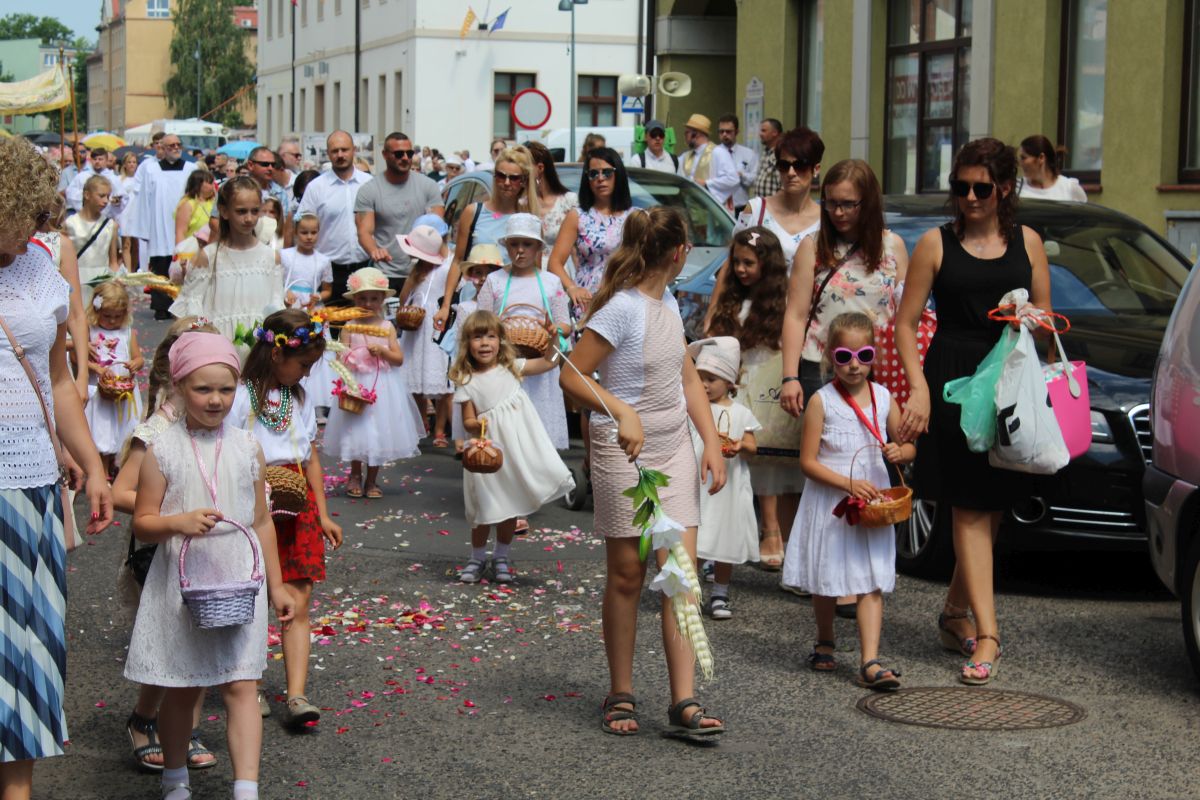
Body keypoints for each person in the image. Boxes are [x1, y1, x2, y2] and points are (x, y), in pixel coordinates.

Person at [558, 206, 727, 740]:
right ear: (679, 254)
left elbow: (688, 379)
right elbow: (571, 374)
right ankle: (621, 690)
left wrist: (711, 442)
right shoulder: (623, 309)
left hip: (673, 446)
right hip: (623, 449)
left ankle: (684, 701)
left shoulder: (670, 302)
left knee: (681, 575)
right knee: (629, 574)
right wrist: (622, 410)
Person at [894, 137, 1052, 686]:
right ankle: (988, 633)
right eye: (960, 187)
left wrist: (1027, 316)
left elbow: (1047, 316)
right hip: (954, 379)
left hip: (1006, 378)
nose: (969, 197)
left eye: (981, 188)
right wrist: (918, 388)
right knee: (966, 508)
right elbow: (906, 323)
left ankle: (953, 615)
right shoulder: (935, 244)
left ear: (1005, 188)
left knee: (992, 507)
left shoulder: (1027, 241)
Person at [125, 331, 295, 800]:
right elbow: (143, 522)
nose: (216, 399)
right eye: (203, 389)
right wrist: (177, 521)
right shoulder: (164, 449)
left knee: (243, 683)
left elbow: (261, 522)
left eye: (225, 389)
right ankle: (176, 778)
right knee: (184, 686)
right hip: (184, 582)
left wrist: (277, 586)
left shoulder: (247, 447)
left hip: (242, 578)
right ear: (179, 387)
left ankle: (246, 788)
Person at [0, 138, 113, 800]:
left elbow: (60, 379)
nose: (36, 228)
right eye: (25, 214)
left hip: (34, 483)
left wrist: (93, 464)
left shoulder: (39, 266)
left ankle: (18, 790)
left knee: (27, 651)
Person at [110, 316, 222, 773]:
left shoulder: (219, 422)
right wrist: (172, 511)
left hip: (209, 549)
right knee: (170, 647)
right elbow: (121, 493)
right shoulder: (158, 428)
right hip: (163, 552)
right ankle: (143, 720)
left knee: (199, 645)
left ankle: (187, 730)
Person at [785, 312, 915, 690]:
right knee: (827, 576)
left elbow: (909, 447)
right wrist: (847, 483)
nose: (854, 365)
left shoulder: (886, 397)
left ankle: (869, 660)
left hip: (872, 503)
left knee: (870, 578)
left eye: (863, 355)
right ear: (828, 355)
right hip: (832, 501)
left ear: (875, 355)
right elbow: (807, 462)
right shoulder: (821, 402)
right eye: (843, 356)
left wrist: (901, 452)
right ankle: (825, 638)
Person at [230, 309, 343, 726]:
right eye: (304, 365)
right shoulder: (241, 395)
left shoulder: (299, 397)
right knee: (253, 594)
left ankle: (296, 694)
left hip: (297, 503)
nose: (307, 374)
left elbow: (310, 456)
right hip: (253, 501)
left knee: (299, 597)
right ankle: (250, 685)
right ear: (276, 354)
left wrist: (324, 512)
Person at [449, 311, 574, 583]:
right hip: (487, 451)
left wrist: (555, 337)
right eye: (477, 337)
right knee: (484, 507)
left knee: (509, 505)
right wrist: (478, 425)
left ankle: (502, 556)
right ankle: (477, 558)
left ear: (501, 341)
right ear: (467, 344)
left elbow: (549, 362)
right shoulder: (466, 379)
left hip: (514, 450)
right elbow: (468, 419)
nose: (484, 343)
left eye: (491, 336)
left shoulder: (512, 367)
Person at [781, 159, 908, 410]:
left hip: (879, 370)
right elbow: (795, 315)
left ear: (868, 202)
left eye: (848, 204)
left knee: (879, 448)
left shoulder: (893, 247)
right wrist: (789, 377)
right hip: (821, 369)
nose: (838, 212)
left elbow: (907, 319)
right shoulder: (812, 247)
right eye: (831, 203)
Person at [705, 227, 799, 570]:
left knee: (771, 464)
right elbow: (711, 332)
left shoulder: (782, 301)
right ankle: (721, 538)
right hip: (735, 384)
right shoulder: (731, 296)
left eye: (748, 263)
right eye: (736, 262)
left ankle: (774, 532)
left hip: (766, 386)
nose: (741, 269)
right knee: (732, 459)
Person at [704, 126, 825, 337]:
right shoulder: (757, 211)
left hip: (809, 329)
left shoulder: (826, 221)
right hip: (757, 327)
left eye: (800, 166)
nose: (791, 173)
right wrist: (711, 319)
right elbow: (731, 265)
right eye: (783, 165)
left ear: (816, 169)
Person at [323, 267, 422, 498]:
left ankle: (372, 479)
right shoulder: (350, 326)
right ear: (355, 300)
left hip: (382, 387)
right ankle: (355, 474)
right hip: (357, 383)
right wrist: (351, 357)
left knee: (378, 431)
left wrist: (383, 353)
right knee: (357, 430)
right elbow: (340, 355)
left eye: (374, 298)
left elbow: (398, 359)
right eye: (362, 298)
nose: (368, 303)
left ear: (382, 300)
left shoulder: (387, 327)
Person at [476, 213, 571, 449]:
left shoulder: (551, 282)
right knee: (506, 427)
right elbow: (481, 321)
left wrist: (554, 329)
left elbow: (565, 324)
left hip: (541, 364)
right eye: (514, 244)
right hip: (503, 364)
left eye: (527, 244)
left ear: (538, 247)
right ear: (506, 246)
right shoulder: (494, 280)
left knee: (539, 427)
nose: (520, 250)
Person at [686, 336, 760, 619]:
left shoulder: (740, 412)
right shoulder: (693, 406)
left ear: (729, 381)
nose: (703, 384)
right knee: (698, 537)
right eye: (700, 377)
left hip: (727, 487)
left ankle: (720, 592)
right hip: (699, 482)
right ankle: (690, 592)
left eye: (711, 378)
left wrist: (740, 445)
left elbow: (753, 446)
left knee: (724, 541)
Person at [431, 146, 536, 330]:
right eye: (501, 176)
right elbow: (458, 261)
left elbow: (534, 269)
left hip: (512, 304)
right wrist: (446, 305)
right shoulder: (474, 212)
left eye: (514, 178)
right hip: (474, 300)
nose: (506, 182)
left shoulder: (527, 218)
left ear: (523, 182)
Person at [170, 176, 286, 342]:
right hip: (217, 346)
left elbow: (276, 304)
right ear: (224, 211)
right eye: (241, 211)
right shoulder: (208, 256)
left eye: (255, 211)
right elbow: (191, 306)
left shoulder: (269, 256)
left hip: (260, 348)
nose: (249, 218)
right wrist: (205, 338)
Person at [354, 132, 445, 294]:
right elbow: (364, 232)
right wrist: (374, 250)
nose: (405, 158)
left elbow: (437, 230)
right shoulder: (370, 190)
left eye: (409, 153)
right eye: (398, 154)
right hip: (386, 273)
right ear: (385, 155)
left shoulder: (428, 186)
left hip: (422, 271)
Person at [547, 146, 635, 310]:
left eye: (607, 172)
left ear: (619, 174)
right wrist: (572, 288)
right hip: (588, 302)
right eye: (593, 173)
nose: (600, 178)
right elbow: (554, 263)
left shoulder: (635, 216)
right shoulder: (578, 216)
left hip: (628, 300)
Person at [128, 134, 199, 319]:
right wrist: (143, 229)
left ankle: (183, 304)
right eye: (171, 145)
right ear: (163, 148)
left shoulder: (192, 169)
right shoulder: (151, 170)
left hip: (185, 223)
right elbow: (144, 201)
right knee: (161, 266)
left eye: (178, 145)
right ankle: (161, 305)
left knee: (185, 265)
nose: (175, 148)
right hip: (159, 224)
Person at [296, 131, 373, 302]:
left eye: (344, 150)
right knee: (330, 325)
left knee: (365, 326)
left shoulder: (369, 184)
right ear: (328, 153)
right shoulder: (316, 188)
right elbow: (301, 225)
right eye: (335, 151)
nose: (340, 155)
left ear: (354, 150)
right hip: (329, 273)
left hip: (365, 268)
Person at [396, 225, 453, 445]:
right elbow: (403, 298)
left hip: (435, 326)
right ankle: (421, 422)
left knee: (440, 378)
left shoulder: (445, 269)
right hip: (415, 326)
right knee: (414, 378)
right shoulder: (416, 271)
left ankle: (440, 429)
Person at [83, 280, 144, 476]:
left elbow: (138, 357)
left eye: (117, 317)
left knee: (121, 431)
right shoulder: (90, 331)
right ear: (96, 310)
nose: (111, 321)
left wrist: (136, 363)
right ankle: (101, 470)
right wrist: (96, 368)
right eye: (107, 316)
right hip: (100, 392)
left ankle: (115, 466)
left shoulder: (126, 333)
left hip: (123, 392)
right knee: (101, 432)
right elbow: (78, 357)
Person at [64, 174, 121, 294]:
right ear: (87, 195)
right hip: (76, 280)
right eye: (101, 196)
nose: (106, 201)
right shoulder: (69, 224)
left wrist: (116, 284)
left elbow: (113, 261)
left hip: (101, 283)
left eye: (108, 196)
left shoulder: (110, 225)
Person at [525, 140, 579, 250]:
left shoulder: (570, 201)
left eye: (525, 167)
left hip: (563, 265)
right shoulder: (523, 203)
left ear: (540, 168)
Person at [677, 113, 738, 208]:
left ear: (695, 134)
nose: (685, 137)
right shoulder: (685, 156)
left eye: (687, 133)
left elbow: (733, 179)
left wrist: (707, 183)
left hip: (710, 211)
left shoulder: (718, 152)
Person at [1017, 134, 1087, 202]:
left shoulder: (1069, 188)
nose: (1020, 163)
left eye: (1024, 158)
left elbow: (1085, 213)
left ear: (1041, 158)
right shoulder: (1017, 188)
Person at [717, 115, 759, 215]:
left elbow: (755, 180)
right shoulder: (712, 154)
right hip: (719, 207)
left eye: (728, 131)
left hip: (741, 207)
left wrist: (741, 175)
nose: (724, 134)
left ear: (737, 132)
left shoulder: (749, 154)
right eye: (721, 131)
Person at [174, 170, 216, 245]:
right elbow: (180, 233)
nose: (213, 186)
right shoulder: (187, 205)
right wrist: (181, 253)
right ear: (199, 184)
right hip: (192, 251)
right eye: (210, 183)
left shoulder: (215, 204)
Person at [752, 118, 784, 199]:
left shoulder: (781, 154)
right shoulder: (765, 152)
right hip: (761, 206)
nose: (760, 134)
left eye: (764, 131)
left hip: (773, 207)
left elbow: (783, 186)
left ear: (775, 133)